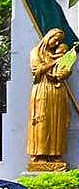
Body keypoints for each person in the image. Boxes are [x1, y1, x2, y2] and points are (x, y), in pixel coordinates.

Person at [26, 28, 72, 168]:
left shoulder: (60, 55)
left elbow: (65, 71)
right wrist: (55, 61)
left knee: (56, 122)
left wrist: (61, 69)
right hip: (42, 89)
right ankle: (39, 155)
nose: (56, 42)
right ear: (48, 37)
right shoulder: (36, 52)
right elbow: (37, 70)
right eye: (55, 39)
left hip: (57, 92)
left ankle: (55, 154)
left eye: (59, 41)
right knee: (42, 122)